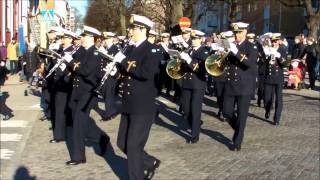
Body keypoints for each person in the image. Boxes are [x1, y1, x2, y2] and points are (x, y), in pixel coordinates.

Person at [109, 14, 161, 180]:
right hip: (128, 103)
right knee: (122, 143)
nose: (130, 31)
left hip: (142, 105)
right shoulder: (130, 48)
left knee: (133, 146)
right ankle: (149, 161)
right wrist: (115, 73)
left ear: (143, 29)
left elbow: (146, 73)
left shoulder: (152, 49)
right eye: (131, 28)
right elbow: (126, 74)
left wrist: (123, 62)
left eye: (133, 28)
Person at [65, 25, 110, 165]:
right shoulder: (81, 51)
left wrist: (70, 62)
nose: (81, 38)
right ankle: (101, 137)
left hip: (88, 93)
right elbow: (75, 68)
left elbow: (85, 71)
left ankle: (78, 157)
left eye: (84, 36)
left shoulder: (95, 53)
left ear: (91, 38)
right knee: (79, 121)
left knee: (78, 122)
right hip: (77, 91)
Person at [222, 22, 258, 151]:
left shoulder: (252, 47)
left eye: (239, 32)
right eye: (235, 32)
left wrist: (236, 52)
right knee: (226, 112)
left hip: (244, 86)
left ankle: (237, 141)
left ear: (245, 33)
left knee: (242, 115)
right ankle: (239, 129)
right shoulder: (232, 46)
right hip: (230, 85)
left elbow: (249, 63)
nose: (237, 35)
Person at [179, 30, 210, 143]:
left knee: (195, 109)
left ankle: (194, 134)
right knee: (186, 109)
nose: (193, 41)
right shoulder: (189, 50)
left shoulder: (204, 52)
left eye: (195, 39)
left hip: (198, 84)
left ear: (201, 39)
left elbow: (202, 69)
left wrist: (188, 60)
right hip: (187, 83)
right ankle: (195, 123)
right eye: (192, 39)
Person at [49, 29, 77, 143]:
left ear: (70, 39)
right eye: (62, 37)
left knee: (61, 109)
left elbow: (74, 68)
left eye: (64, 38)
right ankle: (64, 129)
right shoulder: (60, 50)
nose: (62, 39)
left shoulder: (73, 51)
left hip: (66, 83)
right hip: (57, 82)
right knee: (59, 108)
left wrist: (65, 70)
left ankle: (59, 135)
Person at [263, 33, 287, 126]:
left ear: (279, 41)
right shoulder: (268, 49)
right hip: (269, 77)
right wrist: (265, 54)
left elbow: (284, 64)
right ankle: (267, 109)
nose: (273, 43)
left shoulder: (282, 50)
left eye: (275, 41)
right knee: (267, 98)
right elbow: (264, 63)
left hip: (278, 78)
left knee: (278, 99)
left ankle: (276, 118)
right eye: (272, 41)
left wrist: (278, 56)